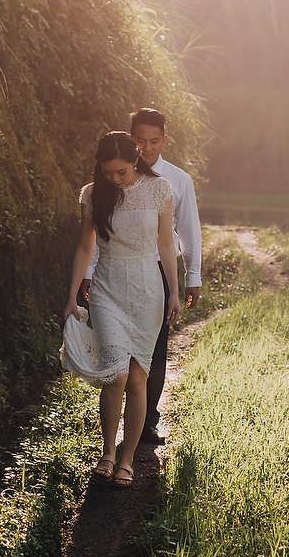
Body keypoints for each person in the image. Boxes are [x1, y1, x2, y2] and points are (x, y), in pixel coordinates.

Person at [63, 131, 182, 488]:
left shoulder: (160, 190)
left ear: (136, 161)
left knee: (137, 378)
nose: (114, 179)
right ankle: (107, 452)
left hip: (148, 292)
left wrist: (173, 292)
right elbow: (85, 247)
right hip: (106, 290)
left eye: (121, 172)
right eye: (107, 172)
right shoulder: (92, 194)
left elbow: (165, 244)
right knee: (114, 374)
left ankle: (128, 457)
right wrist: (71, 297)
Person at [78, 108, 201, 444]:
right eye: (140, 141)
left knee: (149, 360)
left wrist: (190, 279)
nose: (147, 148)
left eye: (154, 141)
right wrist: (85, 278)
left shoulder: (174, 181)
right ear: (131, 141)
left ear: (164, 140)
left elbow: (182, 235)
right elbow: (94, 241)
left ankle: (146, 424)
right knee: (117, 368)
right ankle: (112, 446)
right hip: (111, 279)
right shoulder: (101, 187)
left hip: (157, 275)